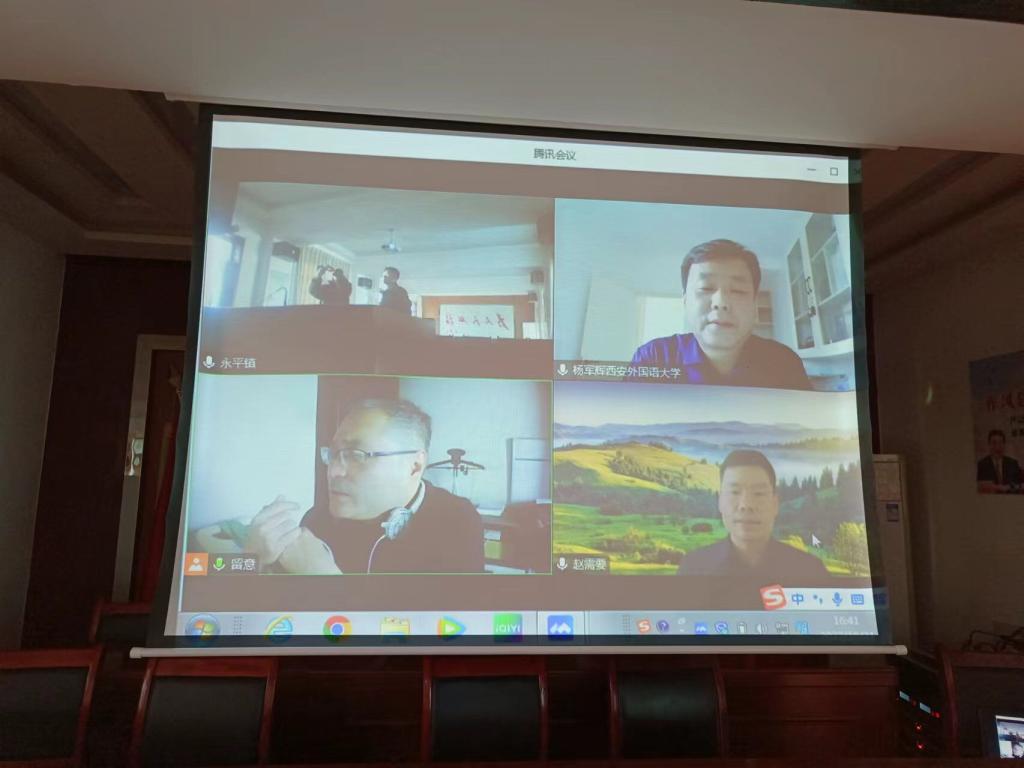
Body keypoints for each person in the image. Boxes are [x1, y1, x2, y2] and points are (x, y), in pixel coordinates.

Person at [246, 398, 484, 574]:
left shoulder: (456, 520)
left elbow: (452, 622)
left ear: (414, 465)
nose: (333, 471)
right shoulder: (318, 518)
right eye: (334, 454)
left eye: (356, 455)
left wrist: (328, 582)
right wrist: (254, 562)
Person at [631, 239, 811, 390]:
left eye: (738, 290)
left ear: (754, 304)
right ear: (685, 301)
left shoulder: (784, 363)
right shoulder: (653, 358)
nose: (721, 302)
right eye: (705, 288)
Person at [677, 449, 830, 608]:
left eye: (758, 493)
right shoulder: (693, 567)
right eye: (735, 492)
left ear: (775, 504)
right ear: (720, 501)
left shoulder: (810, 571)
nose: (746, 505)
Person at [976, 428, 1022, 493]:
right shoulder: (982, 465)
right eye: (994, 443)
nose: (997, 447)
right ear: (989, 445)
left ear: (1004, 444)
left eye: (1000, 443)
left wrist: (1010, 487)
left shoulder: (1013, 463)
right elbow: (980, 487)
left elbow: (1019, 485)